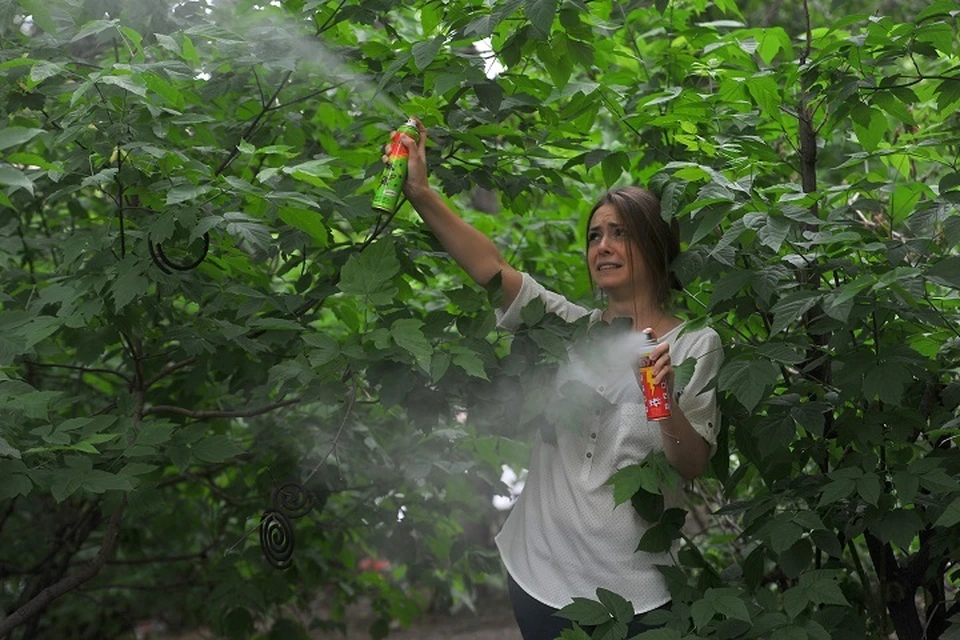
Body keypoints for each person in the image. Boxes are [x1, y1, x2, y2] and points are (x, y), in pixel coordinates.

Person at [384, 118, 723, 640]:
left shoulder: (697, 344)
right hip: (539, 578)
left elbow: (693, 464)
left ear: (656, 246)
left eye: (620, 233)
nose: (602, 246)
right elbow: (491, 268)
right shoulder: (563, 329)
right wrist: (421, 192)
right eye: (594, 236)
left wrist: (661, 396)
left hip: (639, 596)